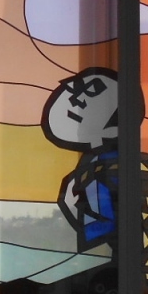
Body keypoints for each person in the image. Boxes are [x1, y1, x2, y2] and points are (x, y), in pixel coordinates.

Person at [41, 67, 119, 254]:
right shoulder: (93, 163)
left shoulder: (107, 166)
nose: (77, 100)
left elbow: (107, 226)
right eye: (74, 90)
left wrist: (73, 206)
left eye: (93, 90)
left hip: (116, 256)